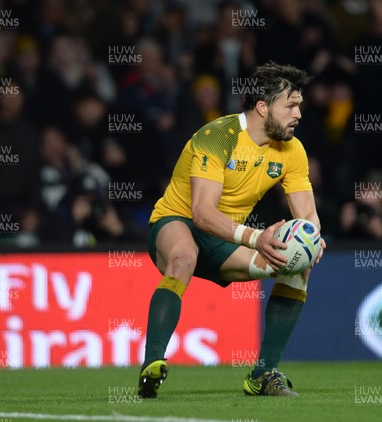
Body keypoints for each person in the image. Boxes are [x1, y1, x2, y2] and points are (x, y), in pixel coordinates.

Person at [138, 62, 325, 398]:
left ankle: (264, 374)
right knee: (183, 257)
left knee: (298, 264)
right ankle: (152, 364)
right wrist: (256, 237)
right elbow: (202, 213)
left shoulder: (292, 149)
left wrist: (313, 239)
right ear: (263, 107)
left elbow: (307, 212)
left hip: (225, 241)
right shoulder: (217, 137)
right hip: (177, 223)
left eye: (300, 105)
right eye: (291, 106)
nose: (299, 114)